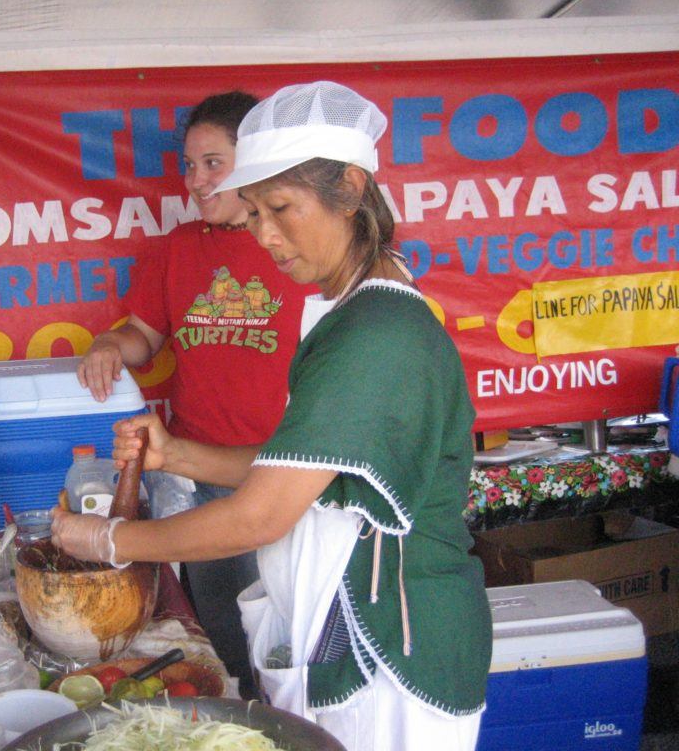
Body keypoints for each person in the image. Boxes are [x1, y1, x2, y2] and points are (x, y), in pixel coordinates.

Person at [54, 81, 492, 751]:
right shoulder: (347, 310)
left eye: (280, 208)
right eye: (255, 212)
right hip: (354, 623)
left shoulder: (375, 333)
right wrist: (180, 456)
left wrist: (105, 542)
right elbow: (302, 473)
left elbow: (260, 513)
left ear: (349, 187)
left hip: (390, 645)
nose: (264, 235)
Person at [76, 90, 313, 697]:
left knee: (296, 650)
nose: (196, 180)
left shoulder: (304, 250)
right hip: (203, 475)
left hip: (292, 482)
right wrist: (109, 342)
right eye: (189, 165)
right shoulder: (176, 249)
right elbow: (142, 336)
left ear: (256, 159)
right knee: (225, 645)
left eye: (214, 163)